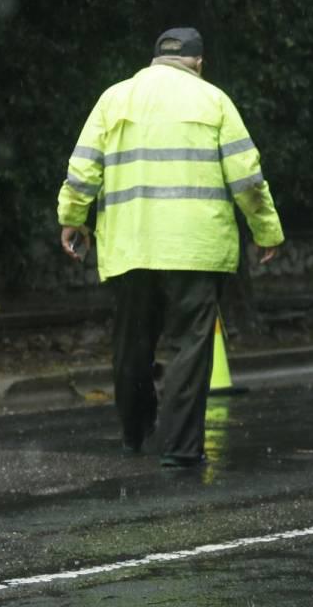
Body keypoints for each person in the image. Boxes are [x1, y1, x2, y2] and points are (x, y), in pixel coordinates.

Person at [57, 27, 284, 468]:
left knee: (132, 345)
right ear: (199, 62)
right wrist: (266, 230)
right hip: (195, 251)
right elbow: (247, 179)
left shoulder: (114, 99)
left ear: (155, 59)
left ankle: (134, 433)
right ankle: (179, 448)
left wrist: (72, 218)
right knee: (189, 347)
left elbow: (82, 168)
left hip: (129, 248)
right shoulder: (214, 101)